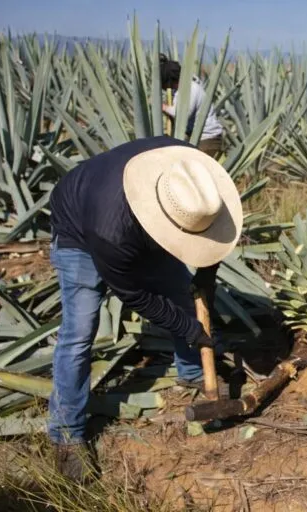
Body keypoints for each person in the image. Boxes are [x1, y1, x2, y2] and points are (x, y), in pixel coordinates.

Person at [48, 135, 242, 481]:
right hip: (79, 229)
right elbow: (136, 295)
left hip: (132, 219)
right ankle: (66, 434)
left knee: (182, 294)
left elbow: (214, 236)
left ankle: (193, 373)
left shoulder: (192, 179)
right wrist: (189, 329)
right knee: (79, 333)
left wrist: (206, 277)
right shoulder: (111, 233)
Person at [159, 55, 224, 159]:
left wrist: (163, 107)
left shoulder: (190, 89)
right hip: (198, 138)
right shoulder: (181, 89)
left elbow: (183, 114)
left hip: (207, 139)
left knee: (196, 171)